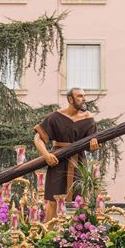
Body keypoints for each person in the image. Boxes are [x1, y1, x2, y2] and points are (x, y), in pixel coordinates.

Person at [34, 87, 99, 222]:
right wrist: (46, 155)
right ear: (70, 99)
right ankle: (48, 237)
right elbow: (38, 138)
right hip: (57, 161)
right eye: (80, 96)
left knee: (82, 200)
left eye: (84, 96)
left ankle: (84, 236)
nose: (84, 99)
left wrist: (93, 145)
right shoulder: (56, 117)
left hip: (79, 162)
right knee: (53, 200)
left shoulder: (88, 119)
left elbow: (93, 143)